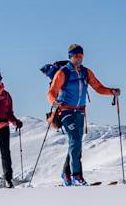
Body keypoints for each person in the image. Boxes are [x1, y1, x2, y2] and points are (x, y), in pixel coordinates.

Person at [46, 44, 120, 186]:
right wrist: (53, 101)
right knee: (75, 140)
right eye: (76, 56)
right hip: (65, 111)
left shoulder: (86, 72)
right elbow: (52, 91)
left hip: (80, 111)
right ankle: (76, 176)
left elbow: (98, 87)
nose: (79, 58)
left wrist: (112, 91)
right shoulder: (63, 73)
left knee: (76, 143)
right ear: (70, 56)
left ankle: (66, 174)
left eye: (81, 56)